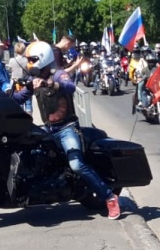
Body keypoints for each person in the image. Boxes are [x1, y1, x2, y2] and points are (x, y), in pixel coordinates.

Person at [28, 42, 121, 219]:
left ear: (43, 59)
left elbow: (69, 87)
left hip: (66, 128)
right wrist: (9, 93)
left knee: (76, 164)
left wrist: (51, 85)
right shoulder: (35, 77)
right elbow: (21, 95)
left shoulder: (59, 75)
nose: (30, 63)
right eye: (29, 60)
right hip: (48, 129)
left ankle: (109, 197)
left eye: (33, 59)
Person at [128, 43, 151, 114]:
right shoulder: (141, 61)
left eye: (147, 52)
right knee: (140, 84)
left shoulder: (152, 59)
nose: (146, 54)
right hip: (144, 76)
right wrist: (139, 74)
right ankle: (141, 100)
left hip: (152, 76)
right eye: (144, 52)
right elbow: (138, 69)